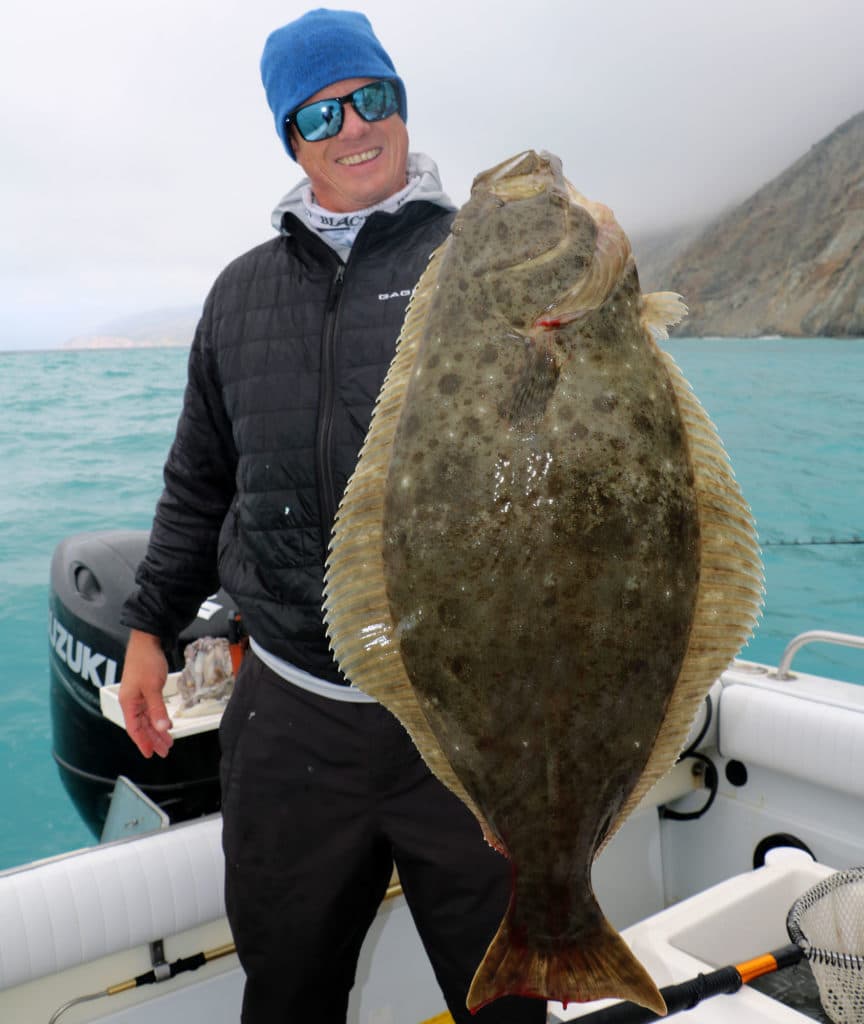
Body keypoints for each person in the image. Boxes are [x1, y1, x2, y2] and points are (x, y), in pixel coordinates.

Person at [118, 9, 548, 1024]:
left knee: (509, 1002)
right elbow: (198, 482)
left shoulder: (491, 264)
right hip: (292, 718)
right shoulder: (239, 297)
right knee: (289, 991)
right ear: (292, 138)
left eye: (373, 99)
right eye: (322, 112)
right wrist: (148, 627)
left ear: (400, 104)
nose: (355, 128)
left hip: (467, 724)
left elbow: (566, 460)